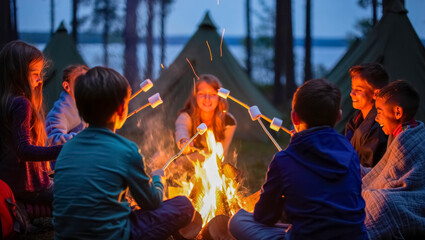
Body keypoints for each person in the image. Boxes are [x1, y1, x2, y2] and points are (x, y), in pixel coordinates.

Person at [53, 66, 195, 240]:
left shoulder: (66, 148)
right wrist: (158, 178)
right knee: (183, 205)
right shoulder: (126, 150)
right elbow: (151, 202)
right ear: (121, 109)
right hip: (114, 235)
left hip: (66, 236)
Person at [229, 79, 367, 240]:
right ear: (338, 116)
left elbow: (264, 216)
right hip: (354, 236)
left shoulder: (284, 160)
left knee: (238, 220)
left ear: (294, 118)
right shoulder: (350, 151)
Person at [0, 40, 62, 205]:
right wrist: (64, 149)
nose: (40, 79)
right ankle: (26, 208)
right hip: (29, 187)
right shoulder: (21, 104)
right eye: (35, 72)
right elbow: (24, 150)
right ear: (18, 73)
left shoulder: (6, 101)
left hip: (10, 183)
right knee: (80, 191)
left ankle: (23, 208)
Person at [362, 80, 425, 239]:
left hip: (413, 199)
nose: (377, 118)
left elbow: (391, 181)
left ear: (397, 112)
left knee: (380, 203)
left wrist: (365, 187)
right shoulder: (404, 132)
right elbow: (384, 172)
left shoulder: (406, 139)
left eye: (380, 111)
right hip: (400, 193)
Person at [175, 74, 236, 157]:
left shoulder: (229, 121)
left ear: (219, 97)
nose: (207, 99)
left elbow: (220, 154)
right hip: (182, 164)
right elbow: (181, 129)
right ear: (195, 96)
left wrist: (183, 161)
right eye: (201, 93)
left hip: (211, 166)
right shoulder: (186, 116)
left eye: (213, 94)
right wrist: (183, 141)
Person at [345, 63, 389, 168]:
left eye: (358, 90)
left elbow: (368, 169)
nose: (352, 94)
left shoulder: (378, 128)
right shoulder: (356, 119)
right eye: (352, 88)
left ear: (376, 94)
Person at [45, 64, 89, 146]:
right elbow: (54, 141)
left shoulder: (86, 108)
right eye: (81, 81)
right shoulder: (58, 112)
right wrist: (86, 136)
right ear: (66, 86)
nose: (86, 85)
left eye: (88, 81)